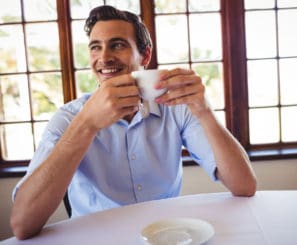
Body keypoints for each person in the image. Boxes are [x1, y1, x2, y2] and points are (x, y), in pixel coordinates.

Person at [10, 5, 256, 240]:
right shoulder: (68, 118)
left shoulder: (176, 108)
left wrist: (204, 111)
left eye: (117, 45)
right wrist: (86, 125)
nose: (104, 58)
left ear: (145, 54)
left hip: (164, 237)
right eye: (96, 47)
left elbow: (244, 186)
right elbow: (22, 224)